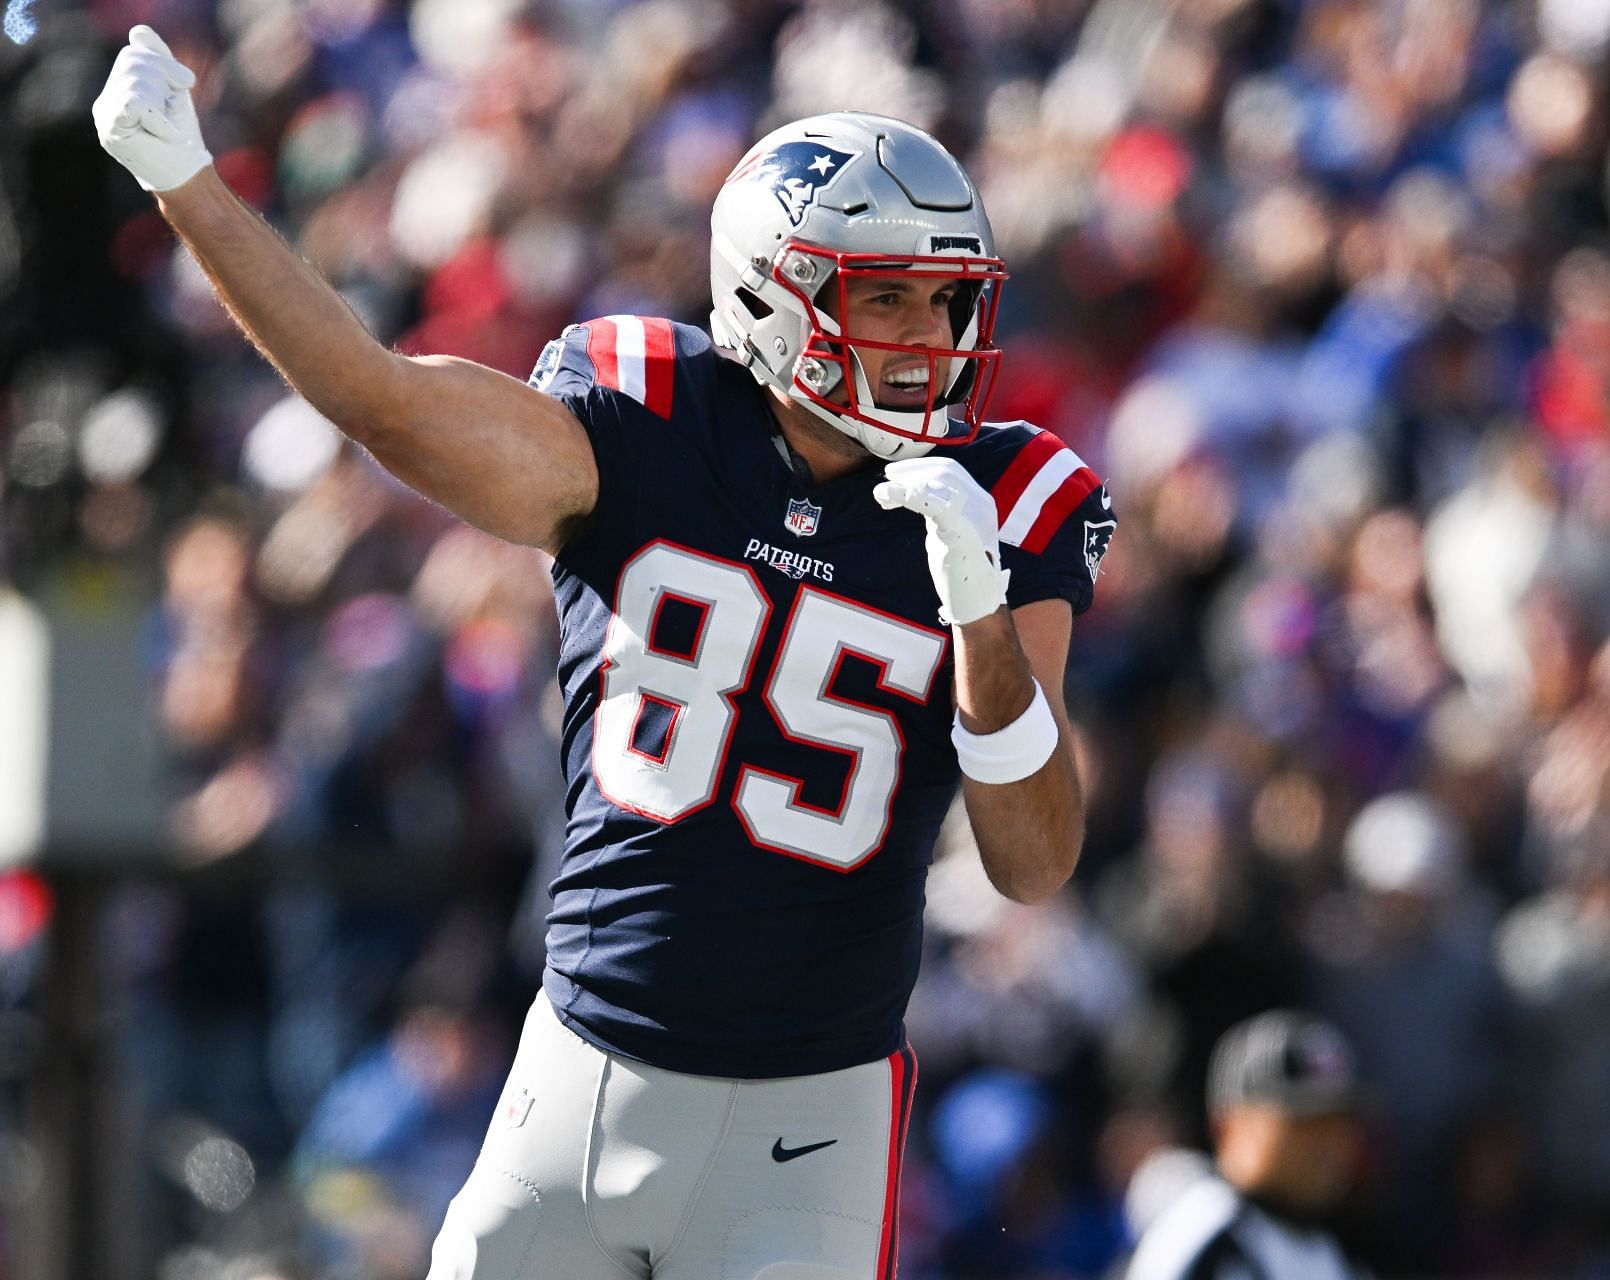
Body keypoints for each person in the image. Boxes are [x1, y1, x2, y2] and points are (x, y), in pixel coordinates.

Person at [94, 26, 1115, 1279]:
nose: (925, 334)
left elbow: (1035, 856)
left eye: (945, 296)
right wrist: (188, 183)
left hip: (810, 1127)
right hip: (576, 1080)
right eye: (884, 296)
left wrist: (981, 619)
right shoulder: (642, 416)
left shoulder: (1005, 499)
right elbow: (382, 398)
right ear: (769, 296)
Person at [1125, 1011, 1370, 1280]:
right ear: (1227, 1126)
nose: (1327, 1144)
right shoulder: (1208, 1243)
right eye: (1303, 1124)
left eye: (1337, 1124)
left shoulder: (1329, 1248)